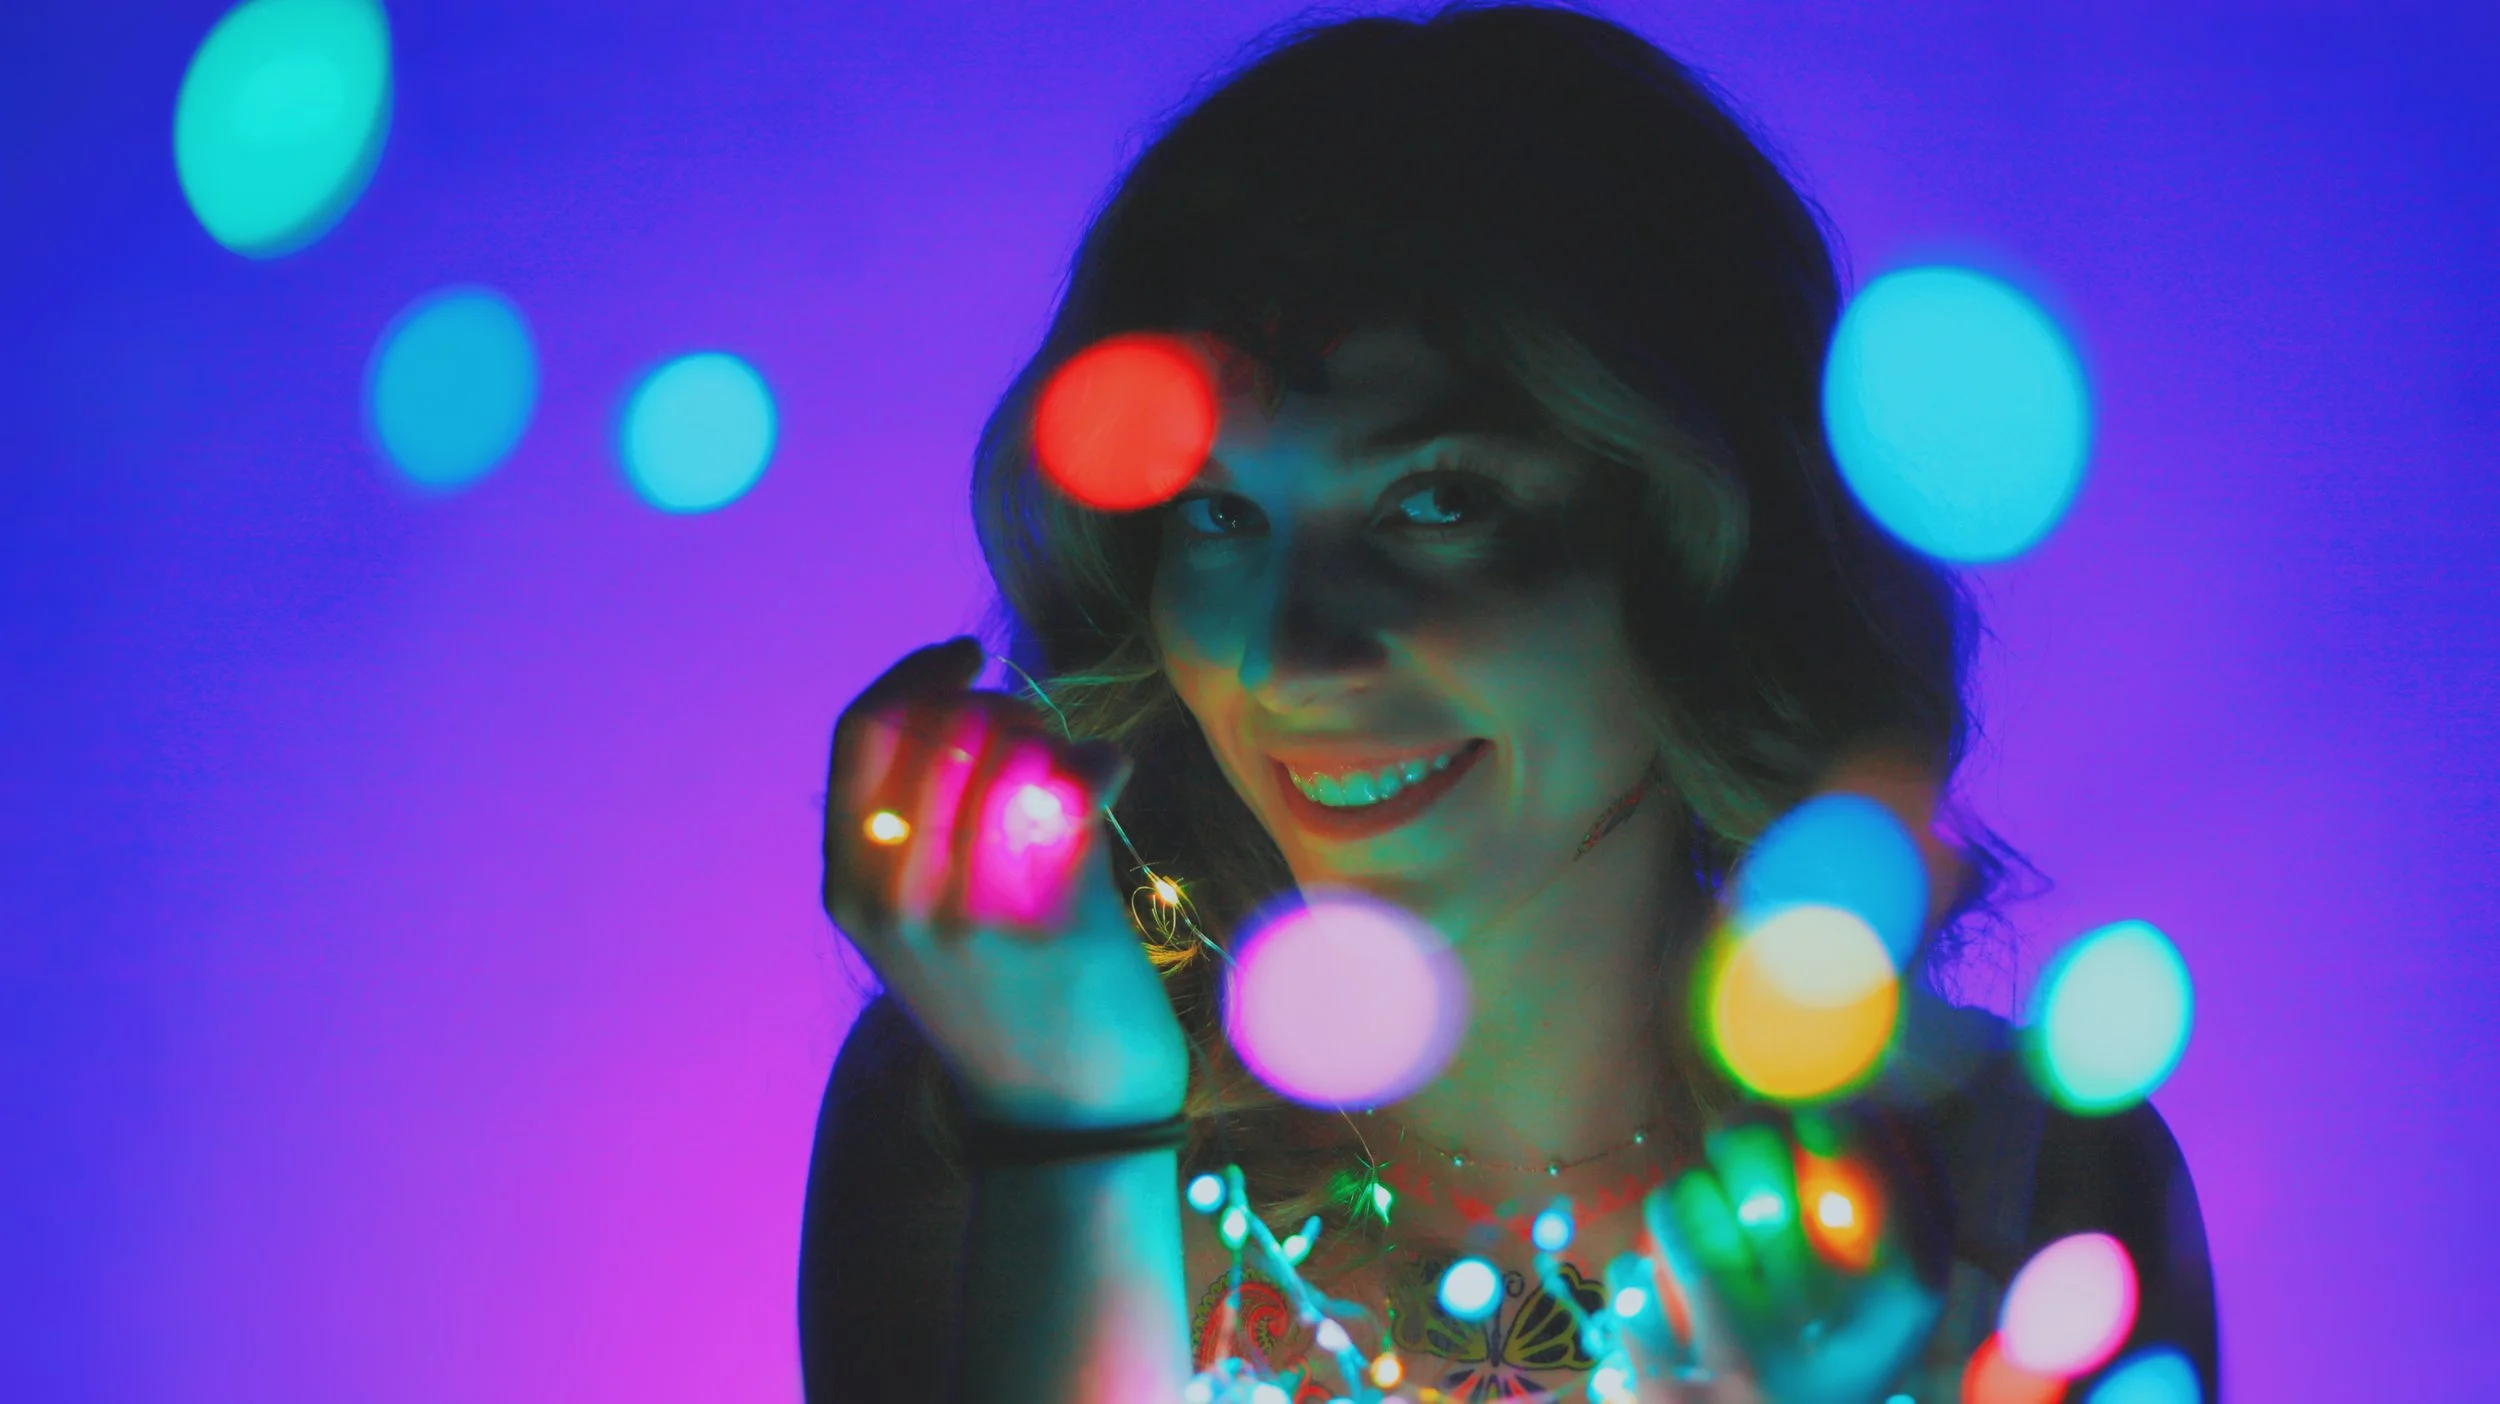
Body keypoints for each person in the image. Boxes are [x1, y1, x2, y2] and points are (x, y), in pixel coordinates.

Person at [799, 7, 2216, 1401]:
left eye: (1437, 501)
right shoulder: (974, 1117)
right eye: (1222, 515)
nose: (1294, 657)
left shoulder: (2029, 1186)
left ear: (1705, 540)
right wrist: (1072, 1138)